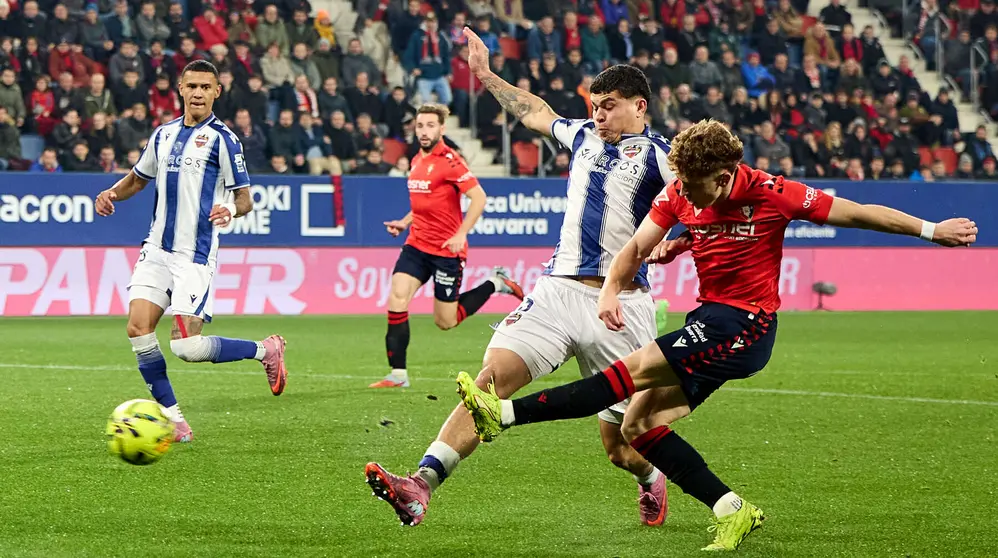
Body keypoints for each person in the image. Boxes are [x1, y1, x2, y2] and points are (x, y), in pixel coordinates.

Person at [454, 119, 979, 552]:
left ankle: (502, 414)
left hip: (743, 324)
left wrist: (932, 231)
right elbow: (635, 248)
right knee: (639, 425)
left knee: (627, 374)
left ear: (726, 175)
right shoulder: (683, 191)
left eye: (695, 184)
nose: (684, 191)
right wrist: (614, 289)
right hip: (713, 321)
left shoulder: (774, 192)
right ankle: (733, 510)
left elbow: (861, 214)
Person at [365, 28, 682, 529]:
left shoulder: (661, 155)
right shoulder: (580, 136)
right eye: (595, 105)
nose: (598, 114)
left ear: (640, 107)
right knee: (487, 385)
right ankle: (420, 485)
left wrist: (676, 240)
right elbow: (535, 111)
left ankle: (650, 480)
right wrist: (487, 74)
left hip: (620, 305)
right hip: (556, 291)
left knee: (623, 447)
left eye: (610, 105)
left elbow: (702, 201)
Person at [93, 60, 290, 444]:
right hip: (157, 248)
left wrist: (229, 210)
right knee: (137, 328)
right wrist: (112, 193)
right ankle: (174, 419)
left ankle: (265, 350)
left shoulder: (224, 139)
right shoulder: (163, 134)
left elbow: (245, 198)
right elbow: (138, 178)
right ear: (180, 89)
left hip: (195, 255)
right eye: (191, 86)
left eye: (205, 87)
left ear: (217, 92)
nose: (198, 93)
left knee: (186, 346)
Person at [369, 103, 525, 389]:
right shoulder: (416, 160)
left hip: (446, 252)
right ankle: (398, 375)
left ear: (442, 128)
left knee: (446, 321)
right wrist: (405, 222)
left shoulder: (451, 162)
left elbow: (479, 198)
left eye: (430, 125)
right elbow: (426, 204)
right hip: (416, 244)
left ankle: (495, 283)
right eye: (420, 125)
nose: (424, 131)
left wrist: (461, 234)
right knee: (397, 298)